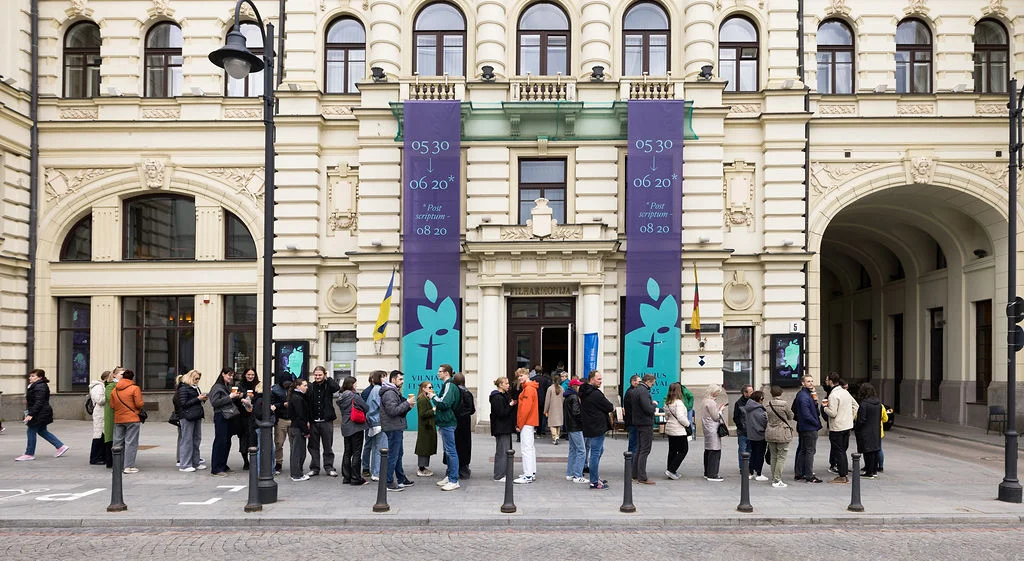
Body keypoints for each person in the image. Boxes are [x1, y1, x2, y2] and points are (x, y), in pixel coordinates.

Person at [16, 369, 69, 462]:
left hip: (39, 413)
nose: (30, 378)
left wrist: (31, 414)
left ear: (40, 377)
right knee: (42, 431)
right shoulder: (36, 385)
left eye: (33, 376)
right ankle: (61, 446)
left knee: (31, 431)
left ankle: (29, 454)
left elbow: (39, 402)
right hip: (41, 412)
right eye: (30, 376)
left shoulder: (39, 386)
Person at [380, 370, 417, 491]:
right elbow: (393, 411)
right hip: (393, 427)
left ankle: (401, 479)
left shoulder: (394, 391)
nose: (402, 382)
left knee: (398, 454)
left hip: (396, 426)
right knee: (393, 455)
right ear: (393, 380)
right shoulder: (390, 393)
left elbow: (400, 411)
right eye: (400, 379)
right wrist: (407, 403)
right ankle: (388, 482)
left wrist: (408, 406)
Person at [579, 369, 614, 490]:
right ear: (592, 379)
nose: (601, 381)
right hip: (597, 426)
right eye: (599, 379)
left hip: (590, 425)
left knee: (599, 450)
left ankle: (595, 475)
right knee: (595, 453)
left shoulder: (583, 391)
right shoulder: (595, 393)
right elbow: (609, 407)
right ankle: (594, 481)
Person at [428, 364, 461, 490]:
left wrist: (433, 396)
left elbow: (444, 403)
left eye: (440, 371)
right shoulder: (450, 385)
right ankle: (450, 476)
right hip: (446, 421)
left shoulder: (449, 385)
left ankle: (454, 480)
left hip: (447, 422)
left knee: (451, 451)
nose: (438, 373)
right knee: (448, 451)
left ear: (447, 373)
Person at [823, 372, 859, 484]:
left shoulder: (833, 395)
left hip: (837, 427)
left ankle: (842, 475)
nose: (826, 382)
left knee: (839, 451)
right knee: (842, 450)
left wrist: (824, 408)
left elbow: (832, 413)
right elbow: (856, 406)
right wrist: (850, 417)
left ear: (830, 381)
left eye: (827, 380)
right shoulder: (845, 392)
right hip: (847, 426)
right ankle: (844, 474)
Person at [305, 365, 340, 477]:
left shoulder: (328, 385)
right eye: (315, 375)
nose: (317, 377)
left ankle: (329, 467)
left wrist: (328, 378)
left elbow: (336, 387)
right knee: (313, 446)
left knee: (328, 446)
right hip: (314, 421)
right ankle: (314, 468)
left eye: (320, 375)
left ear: (324, 375)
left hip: (326, 421)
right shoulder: (310, 387)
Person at [209, 368, 242, 477]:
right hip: (221, 416)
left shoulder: (226, 386)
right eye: (229, 375)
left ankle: (223, 465)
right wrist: (229, 397)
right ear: (223, 374)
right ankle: (216, 468)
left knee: (227, 441)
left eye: (232, 375)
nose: (230, 377)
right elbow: (214, 402)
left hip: (228, 416)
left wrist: (236, 397)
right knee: (220, 441)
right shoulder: (217, 387)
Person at [336, 376, 368, 485]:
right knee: (356, 452)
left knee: (347, 452)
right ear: (352, 384)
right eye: (355, 383)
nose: (356, 385)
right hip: (356, 426)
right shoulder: (354, 396)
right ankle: (355, 478)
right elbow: (366, 407)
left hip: (345, 426)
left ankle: (346, 477)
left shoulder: (340, 397)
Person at [110, 369, 143, 473]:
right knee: (131, 442)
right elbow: (139, 404)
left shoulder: (115, 390)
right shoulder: (135, 388)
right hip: (132, 418)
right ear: (132, 378)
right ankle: (128, 466)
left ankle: (117, 465)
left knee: (117, 442)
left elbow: (112, 405)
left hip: (119, 419)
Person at [792, 375, 823, 483]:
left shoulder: (806, 394)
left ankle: (799, 473)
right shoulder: (803, 396)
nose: (811, 383)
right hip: (809, 427)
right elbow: (806, 414)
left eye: (812, 381)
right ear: (803, 383)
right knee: (810, 451)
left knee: (803, 450)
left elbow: (795, 408)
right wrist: (816, 424)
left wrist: (815, 400)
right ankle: (809, 475)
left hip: (804, 427)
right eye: (808, 381)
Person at [176, 369, 208, 472]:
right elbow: (183, 403)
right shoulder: (183, 388)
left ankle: (195, 462)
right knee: (187, 440)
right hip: (187, 416)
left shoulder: (194, 388)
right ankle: (185, 465)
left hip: (196, 415)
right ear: (190, 378)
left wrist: (201, 399)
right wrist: (198, 399)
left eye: (198, 378)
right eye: (196, 378)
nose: (197, 380)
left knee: (196, 439)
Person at [513, 367, 540, 484]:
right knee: (530, 448)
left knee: (526, 449)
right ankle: (531, 472)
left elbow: (525, 409)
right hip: (530, 421)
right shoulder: (530, 388)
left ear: (527, 375)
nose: (520, 378)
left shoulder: (528, 389)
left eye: (521, 375)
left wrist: (520, 424)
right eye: (518, 376)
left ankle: (528, 474)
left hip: (527, 422)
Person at [765, 385, 794, 488]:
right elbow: (791, 416)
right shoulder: (784, 404)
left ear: (771, 393)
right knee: (781, 456)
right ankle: (777, 480)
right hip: (782, 432)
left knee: (773, 456)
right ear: (781, 393)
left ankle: (774, 478)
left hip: (770, 432)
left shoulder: (767, 404)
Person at [631, 374, 658, 484]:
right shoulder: (643, 391)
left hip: (638, 422)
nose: (652, 385)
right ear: (647, 381)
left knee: (639, 448)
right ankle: (642, 476)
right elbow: (648, 408)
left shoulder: (636, 390)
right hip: (645, 423)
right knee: (645, 449)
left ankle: (635, 474)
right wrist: (654, 405)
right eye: (652, 383)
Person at [489, 376, 516, 482]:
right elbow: (502, 413)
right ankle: (499, 475)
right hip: (501, 428)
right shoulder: (497, 397)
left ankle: (503, 473)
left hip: (505, 427)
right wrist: (510, 405)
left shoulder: (503, 395)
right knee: (502, 452)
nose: (508, 385)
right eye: (506, 383)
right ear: (500, 385)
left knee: (506, 451)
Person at [854, 383, 883, 479]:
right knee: (874, 450)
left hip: (865, 431)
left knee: (867, 451)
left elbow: (861, 419)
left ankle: (869, 471)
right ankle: (874, 470)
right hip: (876, 430)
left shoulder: (864, 404)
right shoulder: (878, 403)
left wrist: (857, 428)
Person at [663, 382, 691, 480]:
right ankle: (671, 470)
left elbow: (666, 417)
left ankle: (671, 470)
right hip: (678, 430)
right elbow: (680, 417)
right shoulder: (678, 403)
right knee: (683, 450)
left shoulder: (668, 402)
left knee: (673, 450)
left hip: (670, 428)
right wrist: (687, 424)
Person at [701, 384, 727, 482]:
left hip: (707, 427)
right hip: (713, 428)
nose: (718, 394)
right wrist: (721, 410)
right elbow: (716, 417)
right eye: (717, 392)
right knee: (715, 451)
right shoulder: (711, 402)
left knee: (708, 450)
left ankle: (707, 472)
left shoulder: (704, 401)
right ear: (713, 391)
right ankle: (712, 474)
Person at [562, 378, 587, 483]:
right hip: (576, 426)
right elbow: (576, 413)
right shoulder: (574, 397)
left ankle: (570, 473)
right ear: (574, 386)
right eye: (578, 385)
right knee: (581, 450)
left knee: (573, 450)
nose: (580, 387)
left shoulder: (567, 396)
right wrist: (583, 421)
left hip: (570, 426)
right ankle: (578, 475)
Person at [452, 372, 475, 480]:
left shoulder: (455, 392)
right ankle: (464, 469)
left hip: (456, 422)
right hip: (465, 423)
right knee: (465, 446)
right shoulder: (468, 393)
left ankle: (454, 469)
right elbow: (472, 410)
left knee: (455, 445)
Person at [362, 370, 385, 481]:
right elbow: (383, 407)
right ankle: (377, 472)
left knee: (375, 447)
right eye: (384, 377)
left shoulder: (374, 390)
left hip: (373, 422)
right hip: (378, 422)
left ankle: (374, 471)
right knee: (380, 448)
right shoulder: (379, 390)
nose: (385, 379)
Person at [287, 378, 311, 481]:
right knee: (298, 452)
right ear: (298, 386)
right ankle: (296, 474)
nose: (306, 387)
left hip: (295, 427)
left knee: (296, 451)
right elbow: (300, 416)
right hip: (297, 428)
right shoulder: (298, 398)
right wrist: (305, 431)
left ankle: (297, 472)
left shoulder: (296, 397)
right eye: (304, 385)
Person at [742, 390, 769, 481]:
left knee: (752, 453)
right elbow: (763, 422)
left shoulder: (749, 407)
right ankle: (758, 473)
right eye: (762, 398)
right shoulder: (758, 409)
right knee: (760, 454)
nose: (763, 400)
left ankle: (750, 472)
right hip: (760, 434)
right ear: (759, 399)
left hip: (751, 434)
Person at [236, 368, 259, 470]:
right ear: (245, 375)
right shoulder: (240, 385)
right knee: (244, 438)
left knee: (254, 437)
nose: (250, 376)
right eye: (248, 374)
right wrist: (241, 398)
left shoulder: (258, 385)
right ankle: (246, 461)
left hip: (255, 416)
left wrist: (254, 397)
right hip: (243, 416)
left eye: (252, 375)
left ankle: (255, 460)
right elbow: (235, 400)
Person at [414, 381, 437, 477]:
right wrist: (433, 410)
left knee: (426, 447)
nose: (430, 389)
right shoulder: (422, 399)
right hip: (425, 427)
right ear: (423, 388)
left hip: (427, 426)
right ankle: (421, 468)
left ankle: (423, 467)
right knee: (424, 447)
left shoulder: (425, 398)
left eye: (431, 387)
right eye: (429, 387)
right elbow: (423, 414)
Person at [102, 367, 123, 468]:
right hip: (111, 415)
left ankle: (117, 460)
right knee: (110, 437)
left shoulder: (119, 385)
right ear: (114, 375)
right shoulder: (111, 386)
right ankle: (109, 461)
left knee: (117, 437)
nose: (123, 376)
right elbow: (110, 398)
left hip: (119, 414)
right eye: (121, 374)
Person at [88, 371, 110, 465]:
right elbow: (99, 400)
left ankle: (101, 456)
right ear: (106, 378)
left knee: (102, 435)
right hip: (100, 413)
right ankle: (95, 457)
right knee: (98, 435)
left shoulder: (102, 386)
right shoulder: (98, 387)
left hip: (103, 413)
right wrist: (109, 396)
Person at [271, 378, 292, 475]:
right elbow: (272, 404)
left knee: (294, 443)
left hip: (292, 419)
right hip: (281, 419)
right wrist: (282, 405)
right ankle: (278, 462)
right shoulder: (275, 389)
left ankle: (295, 462)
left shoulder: (293, 388)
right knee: (279, 443)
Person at [732, 384, 753, 470]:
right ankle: (743, 468)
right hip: (743, 432)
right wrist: (741, 427)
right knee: (742, 450)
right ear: (745, 393)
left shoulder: (753, 402)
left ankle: (750, 467)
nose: (752, 393)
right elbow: (736, 417)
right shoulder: (738, 403)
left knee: (750, 450)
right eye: (751, 391)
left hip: (752, 431)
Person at [623, 375, 640, 456]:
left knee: (634, 444)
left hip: (632, 421)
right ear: (633, 382)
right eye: (638, 381)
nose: (640, 383)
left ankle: (632, 464)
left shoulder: (631, 391)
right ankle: (631, 465)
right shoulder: (632, 393)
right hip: (633, 422)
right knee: (634, 445)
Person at [544, 374, 564, 445]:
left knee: (552, 424)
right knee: (558, 424)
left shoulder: (550, 389)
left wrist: (545, 410)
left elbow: (547, 401)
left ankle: (555, 437)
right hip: (560, 408)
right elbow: (563, 399)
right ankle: (557, 436)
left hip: (552, 409)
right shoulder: (562, 388)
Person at [531, 365, 551, 436]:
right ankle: (540, 431)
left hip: (533, 399)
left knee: (533, 414)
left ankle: (533, 429)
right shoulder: (545, 380)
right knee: (541, 416)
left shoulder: (532, 379)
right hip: (542, 399)